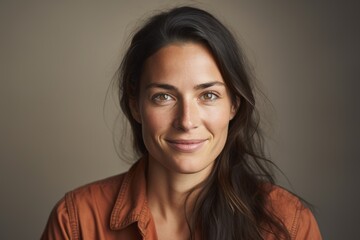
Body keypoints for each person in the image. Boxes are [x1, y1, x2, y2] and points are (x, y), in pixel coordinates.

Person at [41, 6, 322, 240]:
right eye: (163, 97)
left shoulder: (287, 224)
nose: (186, 121)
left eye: (208, 95)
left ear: (234, 104)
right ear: (134, 105)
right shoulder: (76, 221)